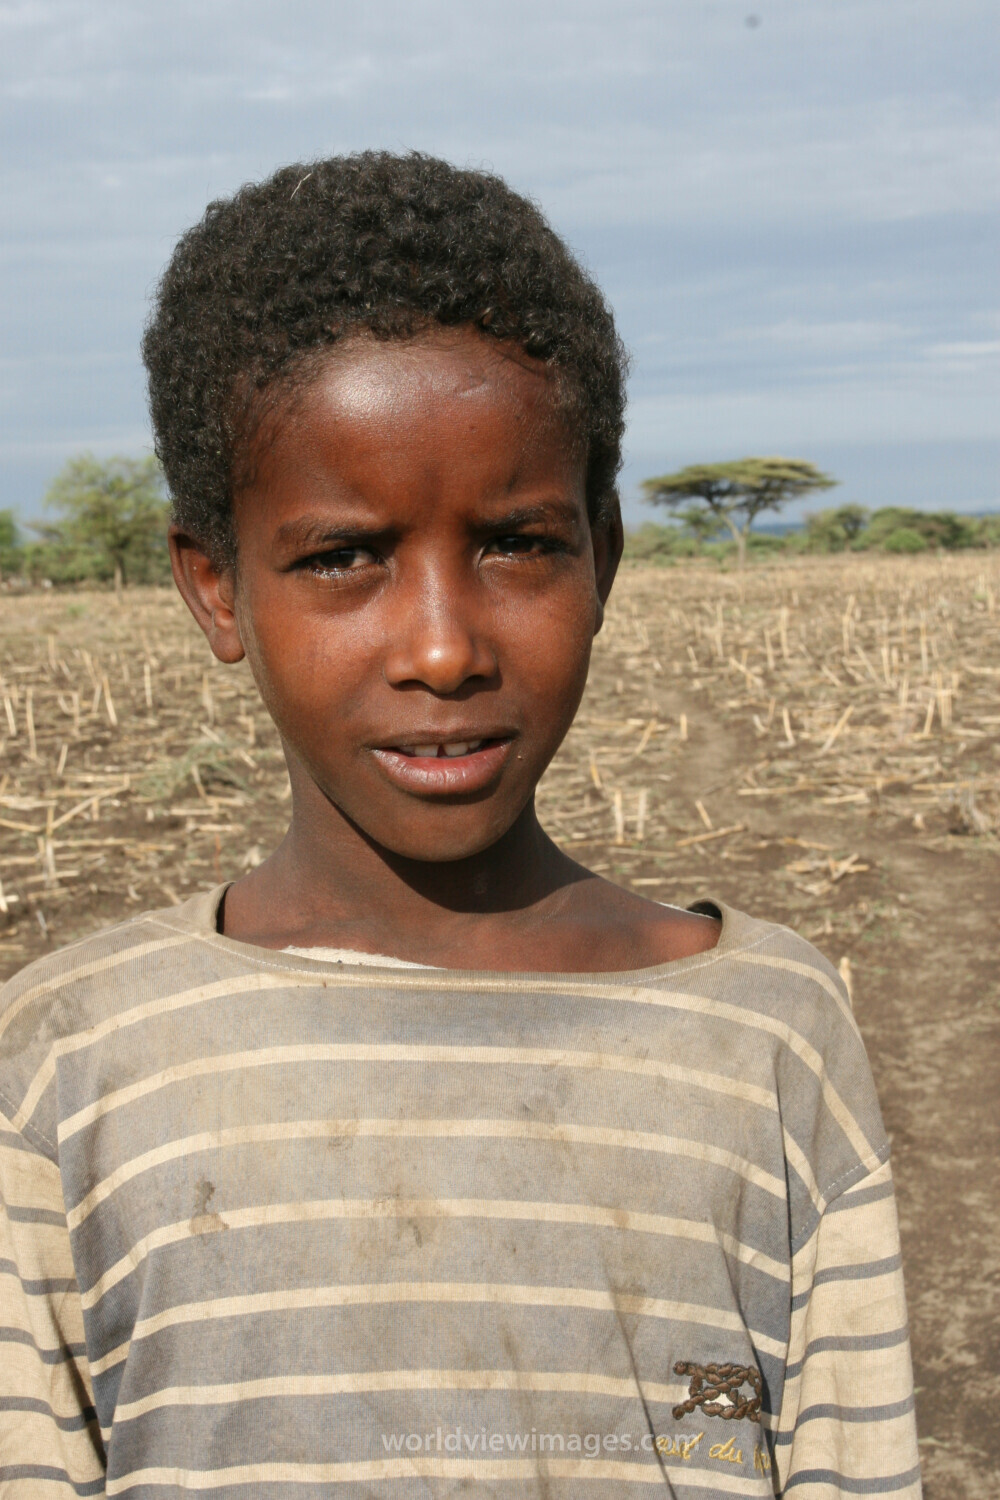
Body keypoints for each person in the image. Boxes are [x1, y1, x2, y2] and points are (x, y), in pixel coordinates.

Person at [0, 153, 920, 1498]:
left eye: (518, 543)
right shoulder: (71, 1062)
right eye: (343, 557)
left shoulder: (771, 1035)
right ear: (214, 587)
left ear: (603, 552)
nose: (442, 648)